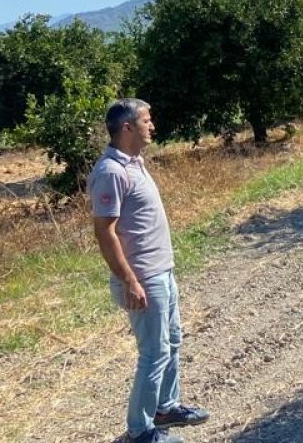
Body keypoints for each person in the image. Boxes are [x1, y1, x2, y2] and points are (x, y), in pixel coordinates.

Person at [90, 98, 210, 443]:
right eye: (146, 120)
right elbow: (104, 231)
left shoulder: (134, 163)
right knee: (153, 353)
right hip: (143, 277)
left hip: (162, 272)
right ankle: (139, 430)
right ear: (127, 127)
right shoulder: (110, 171)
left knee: (172, 341)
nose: (152, 126)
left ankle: (166, 407)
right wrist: (130, 280)